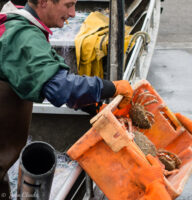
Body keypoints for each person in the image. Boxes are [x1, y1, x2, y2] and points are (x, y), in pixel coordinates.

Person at [0, 0, 133, 197]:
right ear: (44, 2)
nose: (72, 13)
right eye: (68, 5)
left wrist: (95, 107)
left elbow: (50, 77)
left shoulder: (22, 26)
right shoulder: (22, 36)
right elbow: (59, 87)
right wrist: (112, 88)